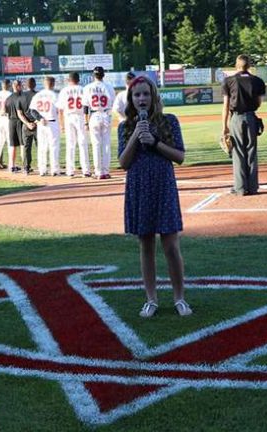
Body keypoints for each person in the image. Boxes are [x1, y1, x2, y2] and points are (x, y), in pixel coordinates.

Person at [117, 76, 191, 318]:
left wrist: (155, 141)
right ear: (131, 99)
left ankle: (179, 298)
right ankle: (151, 299)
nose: (142, 99)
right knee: (146, 244)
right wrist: (136, 135)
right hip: (139, 187)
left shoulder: (169, 121)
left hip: (163, 185)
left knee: (170, 245)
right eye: (137, 94)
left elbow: (179, 156)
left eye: (146, 94)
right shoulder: (125, 127)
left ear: (154, 96)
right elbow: (123, 162)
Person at [221, 55, 266, 195]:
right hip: (251, 117)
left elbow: (226, 105)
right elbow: (259, 102)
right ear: (249, 66)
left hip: (236, 118)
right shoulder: (257, 81)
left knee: (238, 152)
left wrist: (224, 126)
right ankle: (252, 187)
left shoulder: (229, 81)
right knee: (251, 151)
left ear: (236, 65)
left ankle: (240, 188)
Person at [83, 66, 116, 179]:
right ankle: (105, 171)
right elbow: (113, 103)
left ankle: (98, 172)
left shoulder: (88, 88)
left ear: (93, 75)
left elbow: (85, 107)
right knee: (106, 144)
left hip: (94, 115)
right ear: (103, 75)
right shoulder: (109, 87)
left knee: (96, 144)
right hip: (106, 114)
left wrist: (86, 122)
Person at [57, 72, 91, 177]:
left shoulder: (64, 90)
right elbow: (87, 107)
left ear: (68, 80)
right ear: (78, 79)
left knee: (70, 144)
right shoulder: (83, 89)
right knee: (83, 144)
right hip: (80, 117)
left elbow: (60, 110)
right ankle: (86, 170)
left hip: (69, 117)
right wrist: (87, 121)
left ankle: (70, 170)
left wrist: (61, 124)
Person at [30, 76, 61, 176]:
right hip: (52, 122)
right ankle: (54, 170)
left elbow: (32, 110)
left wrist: (39, 118)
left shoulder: (38, 95)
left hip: (41, 124)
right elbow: (60, 109)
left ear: (44, 83)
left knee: (42, 147)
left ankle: (42, 170)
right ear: (53, 84)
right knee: (54, 147)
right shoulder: (54, 95)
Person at [15, 78, 38, 175]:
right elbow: (42, 111)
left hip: (26, 124)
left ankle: (26, 168)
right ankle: (42, 167)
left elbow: (19, 113)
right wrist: (36, 121)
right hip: (37, 124)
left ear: (26, 85)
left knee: (26, 147)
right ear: (35, 84)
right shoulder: (38, 95)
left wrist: (27, 123)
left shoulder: (21, 96)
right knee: (40, 146)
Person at [4, 80, 23, 173]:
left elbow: (4, 111)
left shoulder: (8, 98)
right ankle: (25, 165)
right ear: (18, 86)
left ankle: (12, 165)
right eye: (21, 85)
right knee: (23, 144)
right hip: (20, 121)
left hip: (11, 122)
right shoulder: (21, 97)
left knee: (13, 145)